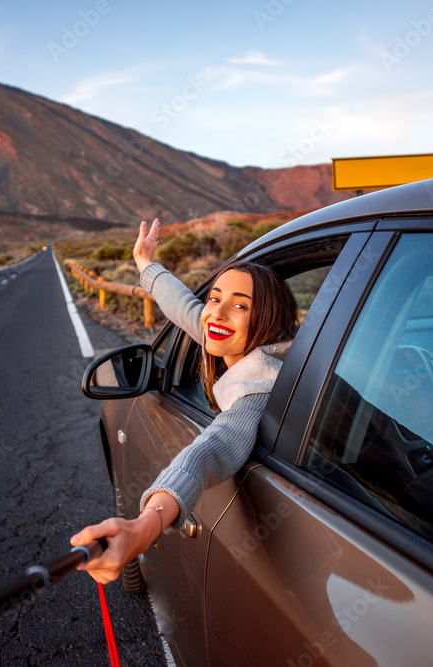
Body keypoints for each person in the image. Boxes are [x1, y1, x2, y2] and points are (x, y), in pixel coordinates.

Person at [70, 217, 299, 584]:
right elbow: (187, 311)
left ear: (268, 318)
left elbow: (209, 450)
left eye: (240, 306)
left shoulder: (258, 389)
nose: (217, 313)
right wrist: (146, 264)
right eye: (214, 297)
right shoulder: (252, 344)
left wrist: (146, 526)